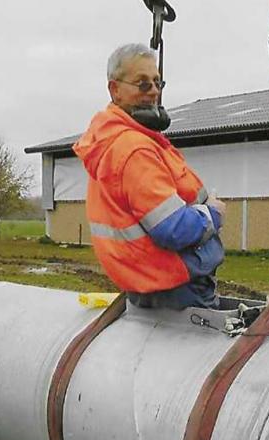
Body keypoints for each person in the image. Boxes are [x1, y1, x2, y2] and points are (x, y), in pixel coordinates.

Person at [74, 43, 226, 310]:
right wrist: (213, 213)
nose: (154, 91)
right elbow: (173, 228)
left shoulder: (124, 140)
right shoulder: (134, 149)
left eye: (157, 82)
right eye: (142, 84)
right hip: (176, 291)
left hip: (155, 286)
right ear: (115, 90)